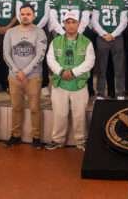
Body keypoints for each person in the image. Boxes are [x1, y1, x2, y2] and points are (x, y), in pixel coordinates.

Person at [45, 10, 95, 151]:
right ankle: (57, 140)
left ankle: (81, 140)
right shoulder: (56, 41)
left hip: (79, 83)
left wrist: (73, 72)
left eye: (74, 22)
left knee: (79, 115)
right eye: (68, 22)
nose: (71, 25)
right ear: (64, 25)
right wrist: (61, 71)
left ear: (78, 24)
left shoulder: (87, 42)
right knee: (60, 114)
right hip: (60, 83)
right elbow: (50, 59)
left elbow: (90, 61)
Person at [3, 4, 48, 148]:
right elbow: (6, 54)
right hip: (14, 76)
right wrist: (17, 71)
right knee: (16, 107)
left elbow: (40, 55)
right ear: (19, 15)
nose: (25, 16)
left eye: (28, 14)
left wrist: (26, 71)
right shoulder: (10, 32)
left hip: (33, 76)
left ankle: (36, 137)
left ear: (33, 16)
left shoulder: (40, 32)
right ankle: (15, 136)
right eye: (22, 14)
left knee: (35, 108)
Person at [90, 0, 128, 99]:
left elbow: (123, 22)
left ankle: (120, 92)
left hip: (117, 38)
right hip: (102, 38)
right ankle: (100, 92)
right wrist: (103, 34)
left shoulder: (122, 1)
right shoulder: (98, 1)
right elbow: (94, 21)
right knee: (101, 67)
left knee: (119, 67)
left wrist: (113, 34)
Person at [15, 0, 52, 94]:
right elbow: (18, 12)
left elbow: (47, 14)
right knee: (24, 54)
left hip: (40, 29)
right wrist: (27, 25)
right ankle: (24, 82)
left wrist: (36, 28)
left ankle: (44, 85)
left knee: (42, 55)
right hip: (24, 28)